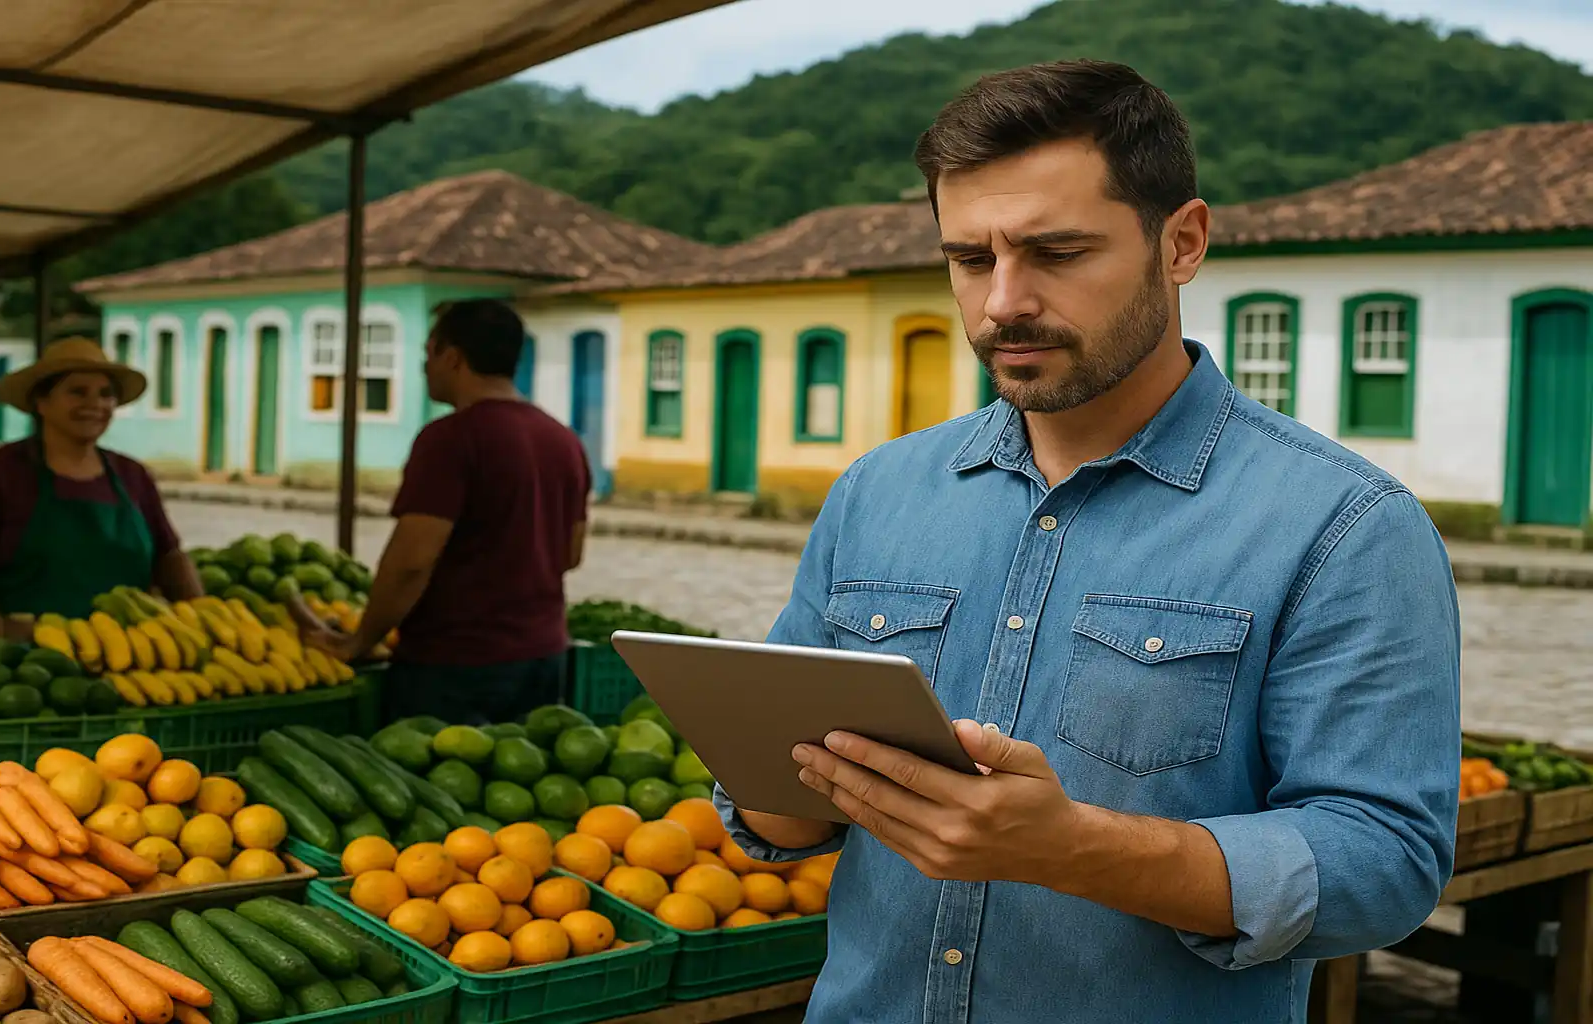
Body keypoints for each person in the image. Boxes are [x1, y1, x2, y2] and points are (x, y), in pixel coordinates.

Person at [714, 59, 1460, 1022]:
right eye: (972, 260)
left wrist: (1068, 847)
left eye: (1057, 253)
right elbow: (778, 807)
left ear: (1181, 243)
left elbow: (1386, 864)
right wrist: (782, 778)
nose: (1001, 304)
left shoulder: (1346, 527)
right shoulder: (876, 492)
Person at [305, 298, 591, 725]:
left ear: (452, 358)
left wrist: (360, 641)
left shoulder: (450, 440)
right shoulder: (563, 440)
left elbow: (411, 562)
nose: (424, 368)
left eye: (428, 354)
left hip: (456, 666)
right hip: (544, 658)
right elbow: (570, 554)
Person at [0, 337, 200, 642]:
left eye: (106, 394)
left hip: (132, 656)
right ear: (42, 402)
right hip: (33, 660)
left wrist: (203, 621)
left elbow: (170, 560)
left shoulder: (133, 476)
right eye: (77, 392)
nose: (95, 404)